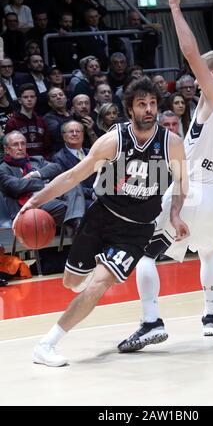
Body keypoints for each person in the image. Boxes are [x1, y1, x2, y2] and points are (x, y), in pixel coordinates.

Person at [117, 0, 213, 353]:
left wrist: (175, 8)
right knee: (209, 252)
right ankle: (211, 315)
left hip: (191, 190)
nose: (195, 88)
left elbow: (190, 52)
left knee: (145, 252)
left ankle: (150, 321)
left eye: (199, 82)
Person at [16, 76, 189, 367]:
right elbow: (73, 177)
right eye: (141, 104)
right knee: (72, 282)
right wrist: (35, 200)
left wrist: (174, 214)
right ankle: (92, 270)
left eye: (152, 103)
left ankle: (46, 346)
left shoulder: (172, 144)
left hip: (136, 231)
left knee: (98, 285)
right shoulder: (114, 140)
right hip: (102, 217)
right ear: (130, 109)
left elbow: (183, 182)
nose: (148, 109)